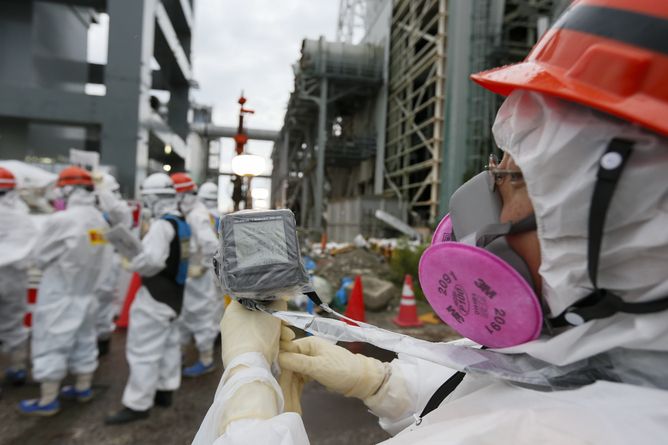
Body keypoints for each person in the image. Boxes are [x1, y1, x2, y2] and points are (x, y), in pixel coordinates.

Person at [193, 1, 668, 443]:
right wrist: (383, 382)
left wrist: (247, 389)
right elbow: (518, 383)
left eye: (515, 176)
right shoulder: (617, 354)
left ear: (628, 224)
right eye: (496, 169)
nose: (487, 204)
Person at [19, 166, 108, 416]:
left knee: (51, 343)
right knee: (84, 340)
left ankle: (47, 400)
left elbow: (38, 256)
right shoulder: (98, 218)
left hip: (59, 293)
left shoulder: (62, 220)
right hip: (87, 293)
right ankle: (83, 387)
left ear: (68, 188)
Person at [106, 173, 191, 424]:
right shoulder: (181, 222)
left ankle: (137, 403)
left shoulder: (161, 226)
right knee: (168, 347)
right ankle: (165, 391)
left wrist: (131, 259)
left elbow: (152, 262)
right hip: (174, 298)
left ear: (153, 198)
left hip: (155, 297)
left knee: (143, 351)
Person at [171, 174, 220, 377]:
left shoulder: (197, 215)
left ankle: (206, 359)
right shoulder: (191, 212)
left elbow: (210, 244)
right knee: (184, 315)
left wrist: (201, 265)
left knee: (200, 316)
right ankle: (180, 354)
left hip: (197, 276)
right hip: (189, 275)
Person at [0, 167, 36, 386]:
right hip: (14, 277)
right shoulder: (21, 216)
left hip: (12, 275)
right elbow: (31, 250)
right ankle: (17, 367)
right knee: (14, 322)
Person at [94, 172, 132, 356]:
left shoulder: (117, 208)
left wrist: (105, 197)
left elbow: (124, 219)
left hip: (108, 259)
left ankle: (102, 341)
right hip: (92, 260)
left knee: (103, 299)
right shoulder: (92, 210)